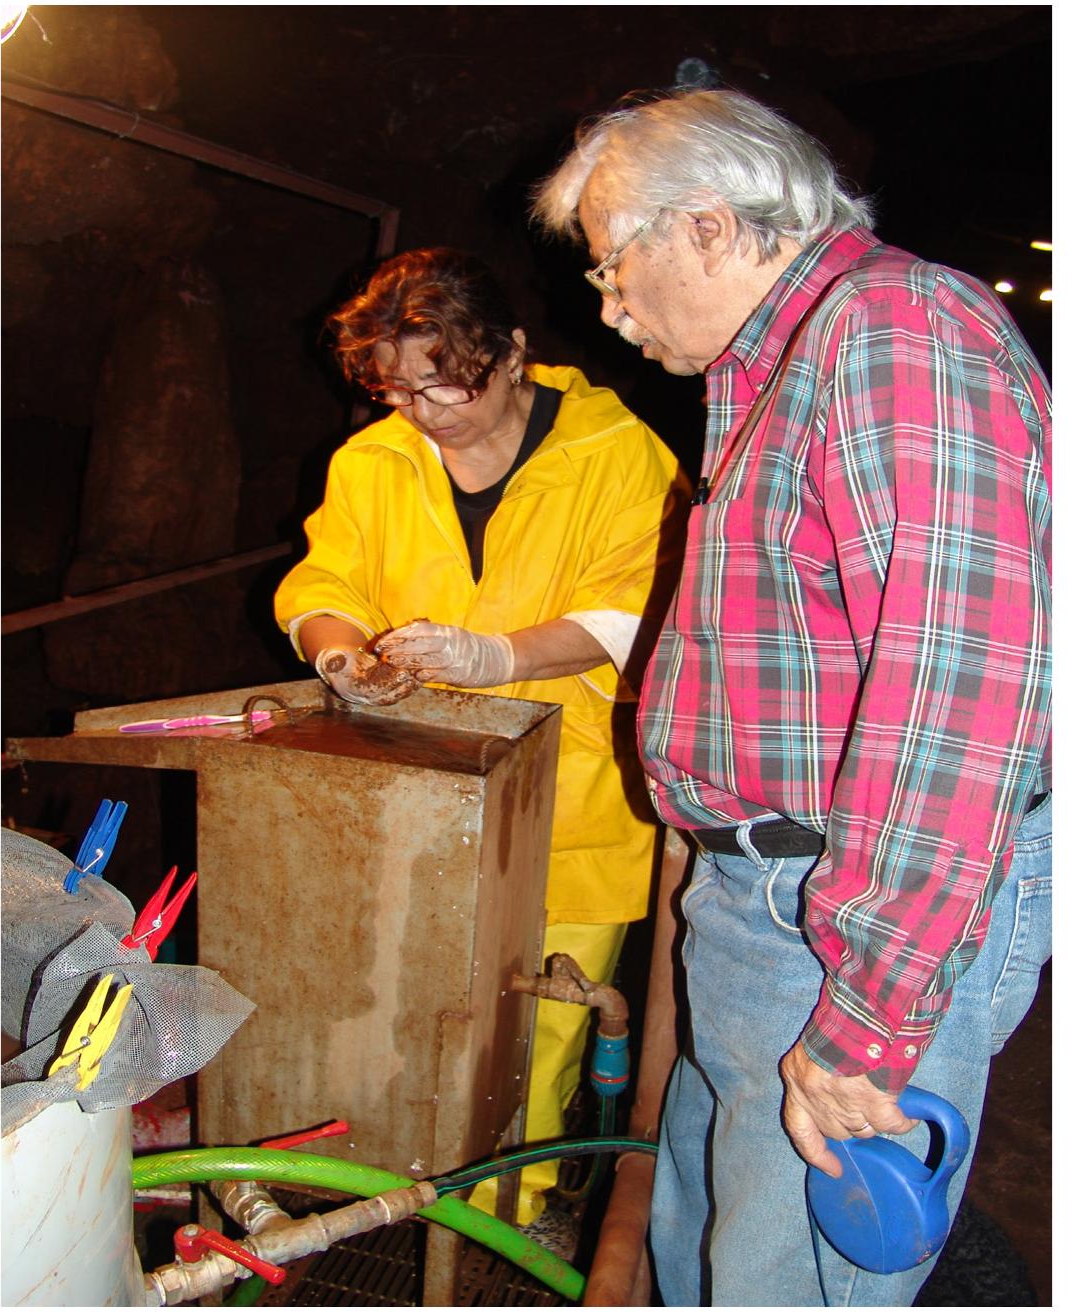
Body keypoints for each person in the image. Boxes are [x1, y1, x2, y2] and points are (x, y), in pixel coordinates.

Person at [534, 89, 1051, 1305]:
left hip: (832, 916)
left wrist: (869, 1014)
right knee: (708, 1253)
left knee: (781, 1281)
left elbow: (958, 690)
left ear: (709, 225)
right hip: (764, 900)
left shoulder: (897, 329)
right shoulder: (779, 371)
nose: (608, 309)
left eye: (613, 266)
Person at [274, 247, 688, 1250]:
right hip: (416, 788)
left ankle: (516, 1211)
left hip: (574, 798)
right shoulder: (373, 461)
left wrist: (496, 655)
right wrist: (339, 654)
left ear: (509, 353)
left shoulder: (616, 452)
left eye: (445, 382)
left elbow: (641, 607)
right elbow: (325, 582)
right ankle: (394, 1192)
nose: (425, 411)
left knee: (537, 1031)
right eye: (398, 389)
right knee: (401, 1000)